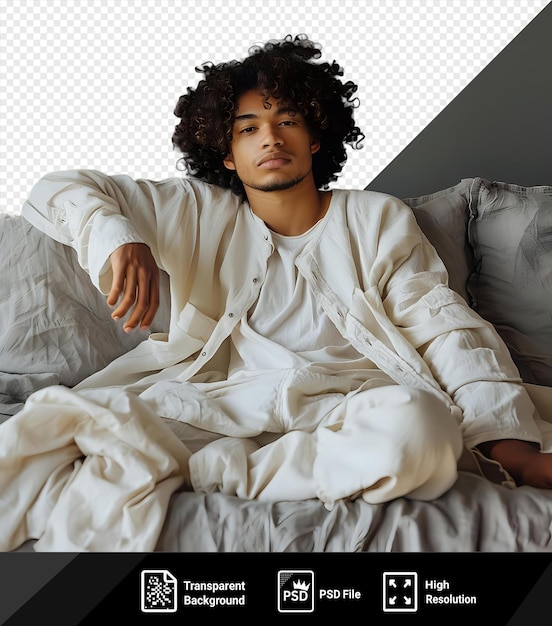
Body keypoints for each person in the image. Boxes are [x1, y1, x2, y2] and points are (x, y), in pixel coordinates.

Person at [2, 34, 551, 551]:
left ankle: (211, 474)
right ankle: (213, 463)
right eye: (247, 129)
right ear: (224, 153)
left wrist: (511, 447)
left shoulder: (375, 217)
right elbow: (58, 189)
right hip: (221, 408)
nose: (269, 137)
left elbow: (442, 323)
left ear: (315, 137)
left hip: (348, 411)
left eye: (286, 120)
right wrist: (117, 240)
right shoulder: (201, 213)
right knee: (66, 433)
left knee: (423, 426)